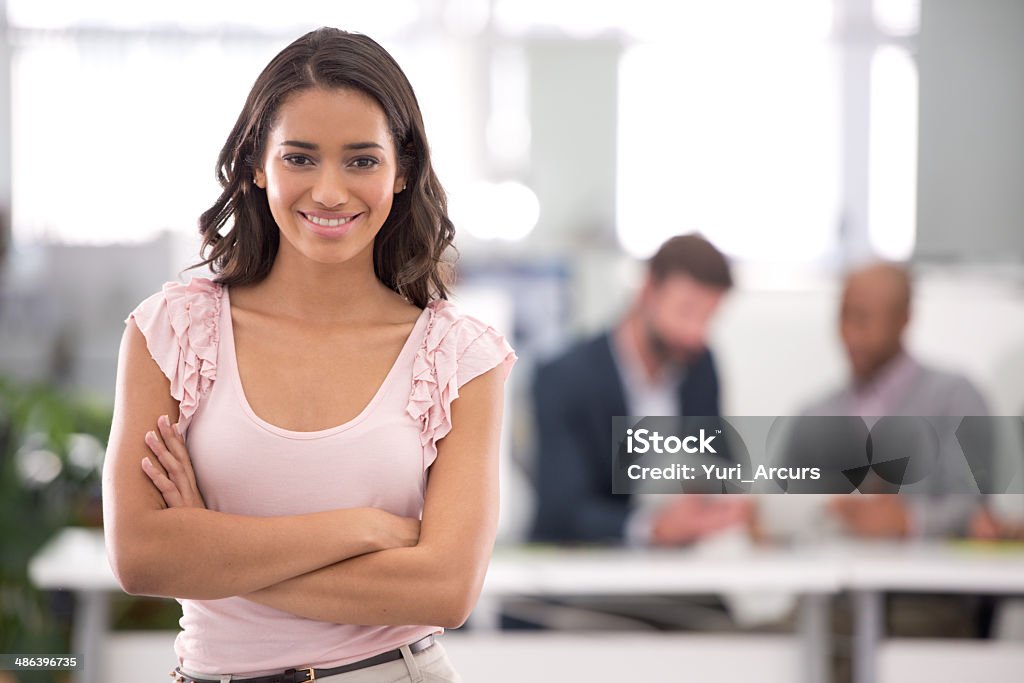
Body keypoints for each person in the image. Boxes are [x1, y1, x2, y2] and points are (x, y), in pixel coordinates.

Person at [101, 28, 516, 683]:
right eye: (299, 157)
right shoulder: (171, 333)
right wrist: (361, 528)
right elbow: (139, 556)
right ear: (257, 163)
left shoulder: (461, 357)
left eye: (360, 160)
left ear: (401, 169)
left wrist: (210, 545)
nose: (328, 191)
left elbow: (445, 588)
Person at [529, 233, 751, 548]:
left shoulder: (700, 366)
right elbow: (561, 510)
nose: (695, 334)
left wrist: (725, 502)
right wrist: (650, 529)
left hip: (678, 571)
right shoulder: (565, 378)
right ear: (648, 291)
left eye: (708, 317)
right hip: (586, 573)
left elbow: (719, 463)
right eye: (686, 311)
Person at [802, 261, 988, 538]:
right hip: (832, 573)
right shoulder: (817, 414)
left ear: (903, 319)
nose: (850, 334)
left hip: (927, 578)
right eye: (843, 317)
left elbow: (977, 506)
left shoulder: (954, 398)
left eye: (863, 318)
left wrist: (909, 521)